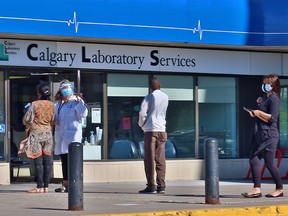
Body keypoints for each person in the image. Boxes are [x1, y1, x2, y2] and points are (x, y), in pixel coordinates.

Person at [242, 74, 283, 198]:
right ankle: (256, 189)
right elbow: (262, 115)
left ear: (274, 86)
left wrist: (259, 112)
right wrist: (256, 111)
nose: (264, 85)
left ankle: (279, 188)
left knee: (269, 162)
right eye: (264, 83)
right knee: (253, 159)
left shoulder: (274, 99)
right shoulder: (264, 98)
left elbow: (273, 118)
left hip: (269, 135)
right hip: (259, 134)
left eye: (268, 83)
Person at [53, 79, 88, 192]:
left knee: (72, 161)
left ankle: (74, 185)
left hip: (73, 136)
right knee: (64, 160)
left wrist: (80, 103)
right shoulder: (58, 103)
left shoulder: (76, 100)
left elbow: (83, 114)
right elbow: (54, 117)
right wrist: (54, 120)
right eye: (64, 88)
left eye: (68, 87)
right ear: (61, 90)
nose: (66, 90)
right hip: (61, 135)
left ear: (72, 89)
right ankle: (66, 184)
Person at [21, 82, 54, 193]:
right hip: (48, 134)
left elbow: (27, 118)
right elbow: (54, 119)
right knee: (47, 160)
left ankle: (39, 187)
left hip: (36, 134)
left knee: (38, 161)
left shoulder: (34, 104)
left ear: (39, 93)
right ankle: (46, 187)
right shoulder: (52, 105)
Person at [138, 78, 169, 194]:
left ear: (150, 87)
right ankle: (161, 185)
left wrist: (142, 125)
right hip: (162, 129)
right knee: (161, 159)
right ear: (160, 85)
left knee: (149, 159)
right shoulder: (166, 97)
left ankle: (151, 186)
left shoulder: (149, 97)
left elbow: (142, 113)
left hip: (151, 130)